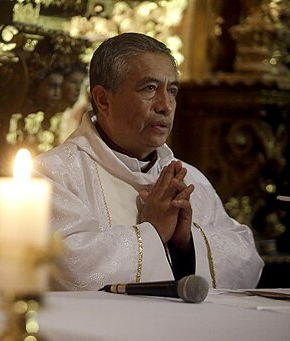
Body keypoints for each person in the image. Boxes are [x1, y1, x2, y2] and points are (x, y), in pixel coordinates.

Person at [33, 33, 264, 291]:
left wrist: (187, 242)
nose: (166, 105)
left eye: (172, 91)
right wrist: (151, 233)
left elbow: (248, 261)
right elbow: (65, 268)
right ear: (103, 99)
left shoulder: (189, 178)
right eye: (150, 88)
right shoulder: (52, 175)